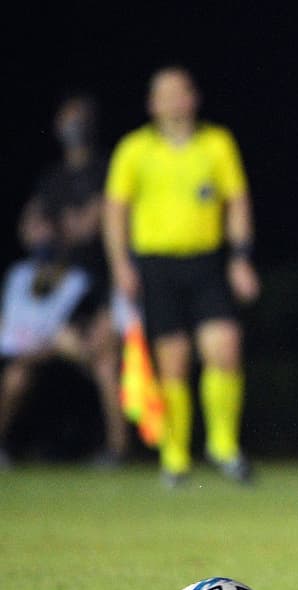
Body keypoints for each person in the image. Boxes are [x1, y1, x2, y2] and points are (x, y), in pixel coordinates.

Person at [103, 66, 260, 486]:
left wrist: (241, 257)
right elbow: (115, 213)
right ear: (151, 104)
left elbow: (238, 202)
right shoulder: (134, 150)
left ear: (194, 98)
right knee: (172, 362)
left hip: (206, 261)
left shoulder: (216, 143)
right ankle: (175, 458)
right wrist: (120, 265)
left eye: (180, 92)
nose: (173, 101)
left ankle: (223, 447)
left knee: (225, 346)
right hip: (156, 265)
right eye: (164, 94)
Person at [17, 92, 131, 466]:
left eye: (78, 119)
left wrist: (68, 228)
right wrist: (36, 228)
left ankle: (117, 450)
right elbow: (31, 226)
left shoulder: (105, 169)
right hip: (55, 295)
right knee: (20, 369)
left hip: (96, 289)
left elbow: (89, 226)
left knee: (105, 364)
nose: (71, 128)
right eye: (66, 120)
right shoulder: (52, 178)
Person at [0, 199, 107, 467]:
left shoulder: (77, 279)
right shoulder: (18, 274)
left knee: (101, 366)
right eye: (34, 229)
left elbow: (75, 335)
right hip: (13, 350)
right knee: (15, 376)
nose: (41, 238)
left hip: (50, 351)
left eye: (47, 230)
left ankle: (117, 448)